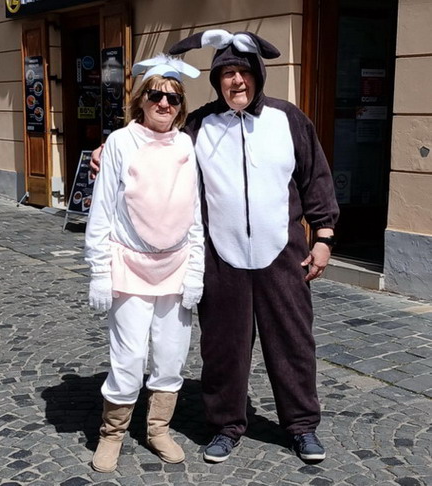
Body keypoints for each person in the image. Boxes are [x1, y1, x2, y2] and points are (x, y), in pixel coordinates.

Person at [91, 30, 339, 464]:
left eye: (244, 71)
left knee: (293, 342)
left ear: (258, 74)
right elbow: (154, 138)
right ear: (216, 80)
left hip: (282, 253)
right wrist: (105, 150)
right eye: (227, 73)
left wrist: (324, 235)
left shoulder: (288, 118)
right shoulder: (199, 124)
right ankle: (226, 425)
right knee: (224, 349)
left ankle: (301, 426)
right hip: (221, 257)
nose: (236, 81)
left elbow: (315, 176)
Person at [85, 54, 204, 472]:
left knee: (171, 356)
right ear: (141, 100)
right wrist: (100, 272)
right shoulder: (120, 142)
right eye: (156, 95)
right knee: (129, 358)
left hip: (176, 267)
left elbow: (195, 213)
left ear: (181, 105)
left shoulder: (186, 144)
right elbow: (102, 210)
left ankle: (158, 429)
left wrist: (196, 271)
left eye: (173, 98)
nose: (164, 104)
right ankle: (112, 434)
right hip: (129, 266)